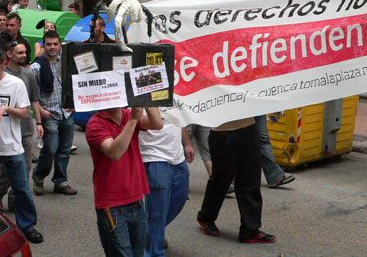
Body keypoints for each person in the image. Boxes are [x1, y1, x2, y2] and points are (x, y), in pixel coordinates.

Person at [0, 46, 43, 243]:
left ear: (3, 63)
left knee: (22, 189)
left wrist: (6, 108)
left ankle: (27, 226)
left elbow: (25, 113)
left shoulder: (16, 84)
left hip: (12, 147)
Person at [86, 106, 163, 257]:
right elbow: (114, 152)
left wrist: (145, 100)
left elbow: (157, 124)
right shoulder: (95, 123)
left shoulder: (127, 113)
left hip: (136, 200)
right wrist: (133, 120)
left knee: (138, 253)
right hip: (112, 206)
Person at [197, 117, 276, 244]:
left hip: (249, 128)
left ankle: (250, 229)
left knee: (251, 179)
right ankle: (206, 217)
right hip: (223, 132)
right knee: (221, 180)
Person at [139, 108, 195, 257]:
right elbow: (137, 121)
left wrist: (187, 143)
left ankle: (150, 232)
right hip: (154, 155)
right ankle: (154, 251)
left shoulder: (175, 94)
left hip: (177, 156)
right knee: (157, 211)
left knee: (180, 197)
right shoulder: (141, 95)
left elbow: (179, 116)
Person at [30, 30, 77, 196]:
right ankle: (38, 178)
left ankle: (60, 181)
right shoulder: (36, 67)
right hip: (49, 113)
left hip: (66, 112)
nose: (52, 47)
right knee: (50, 149)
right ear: (44, 46)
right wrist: (40, 112)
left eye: (55, 44)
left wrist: (74, 103)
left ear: (59, 45)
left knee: (64, 150)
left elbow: (76, 83)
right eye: (49, 44)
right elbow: (31, 94)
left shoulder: (66, 62)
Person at [254, 115, 295, 188]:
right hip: (239, 110)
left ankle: (274, 176)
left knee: (263, 139)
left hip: (257, 110)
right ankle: (233, 178)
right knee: (239, 137)